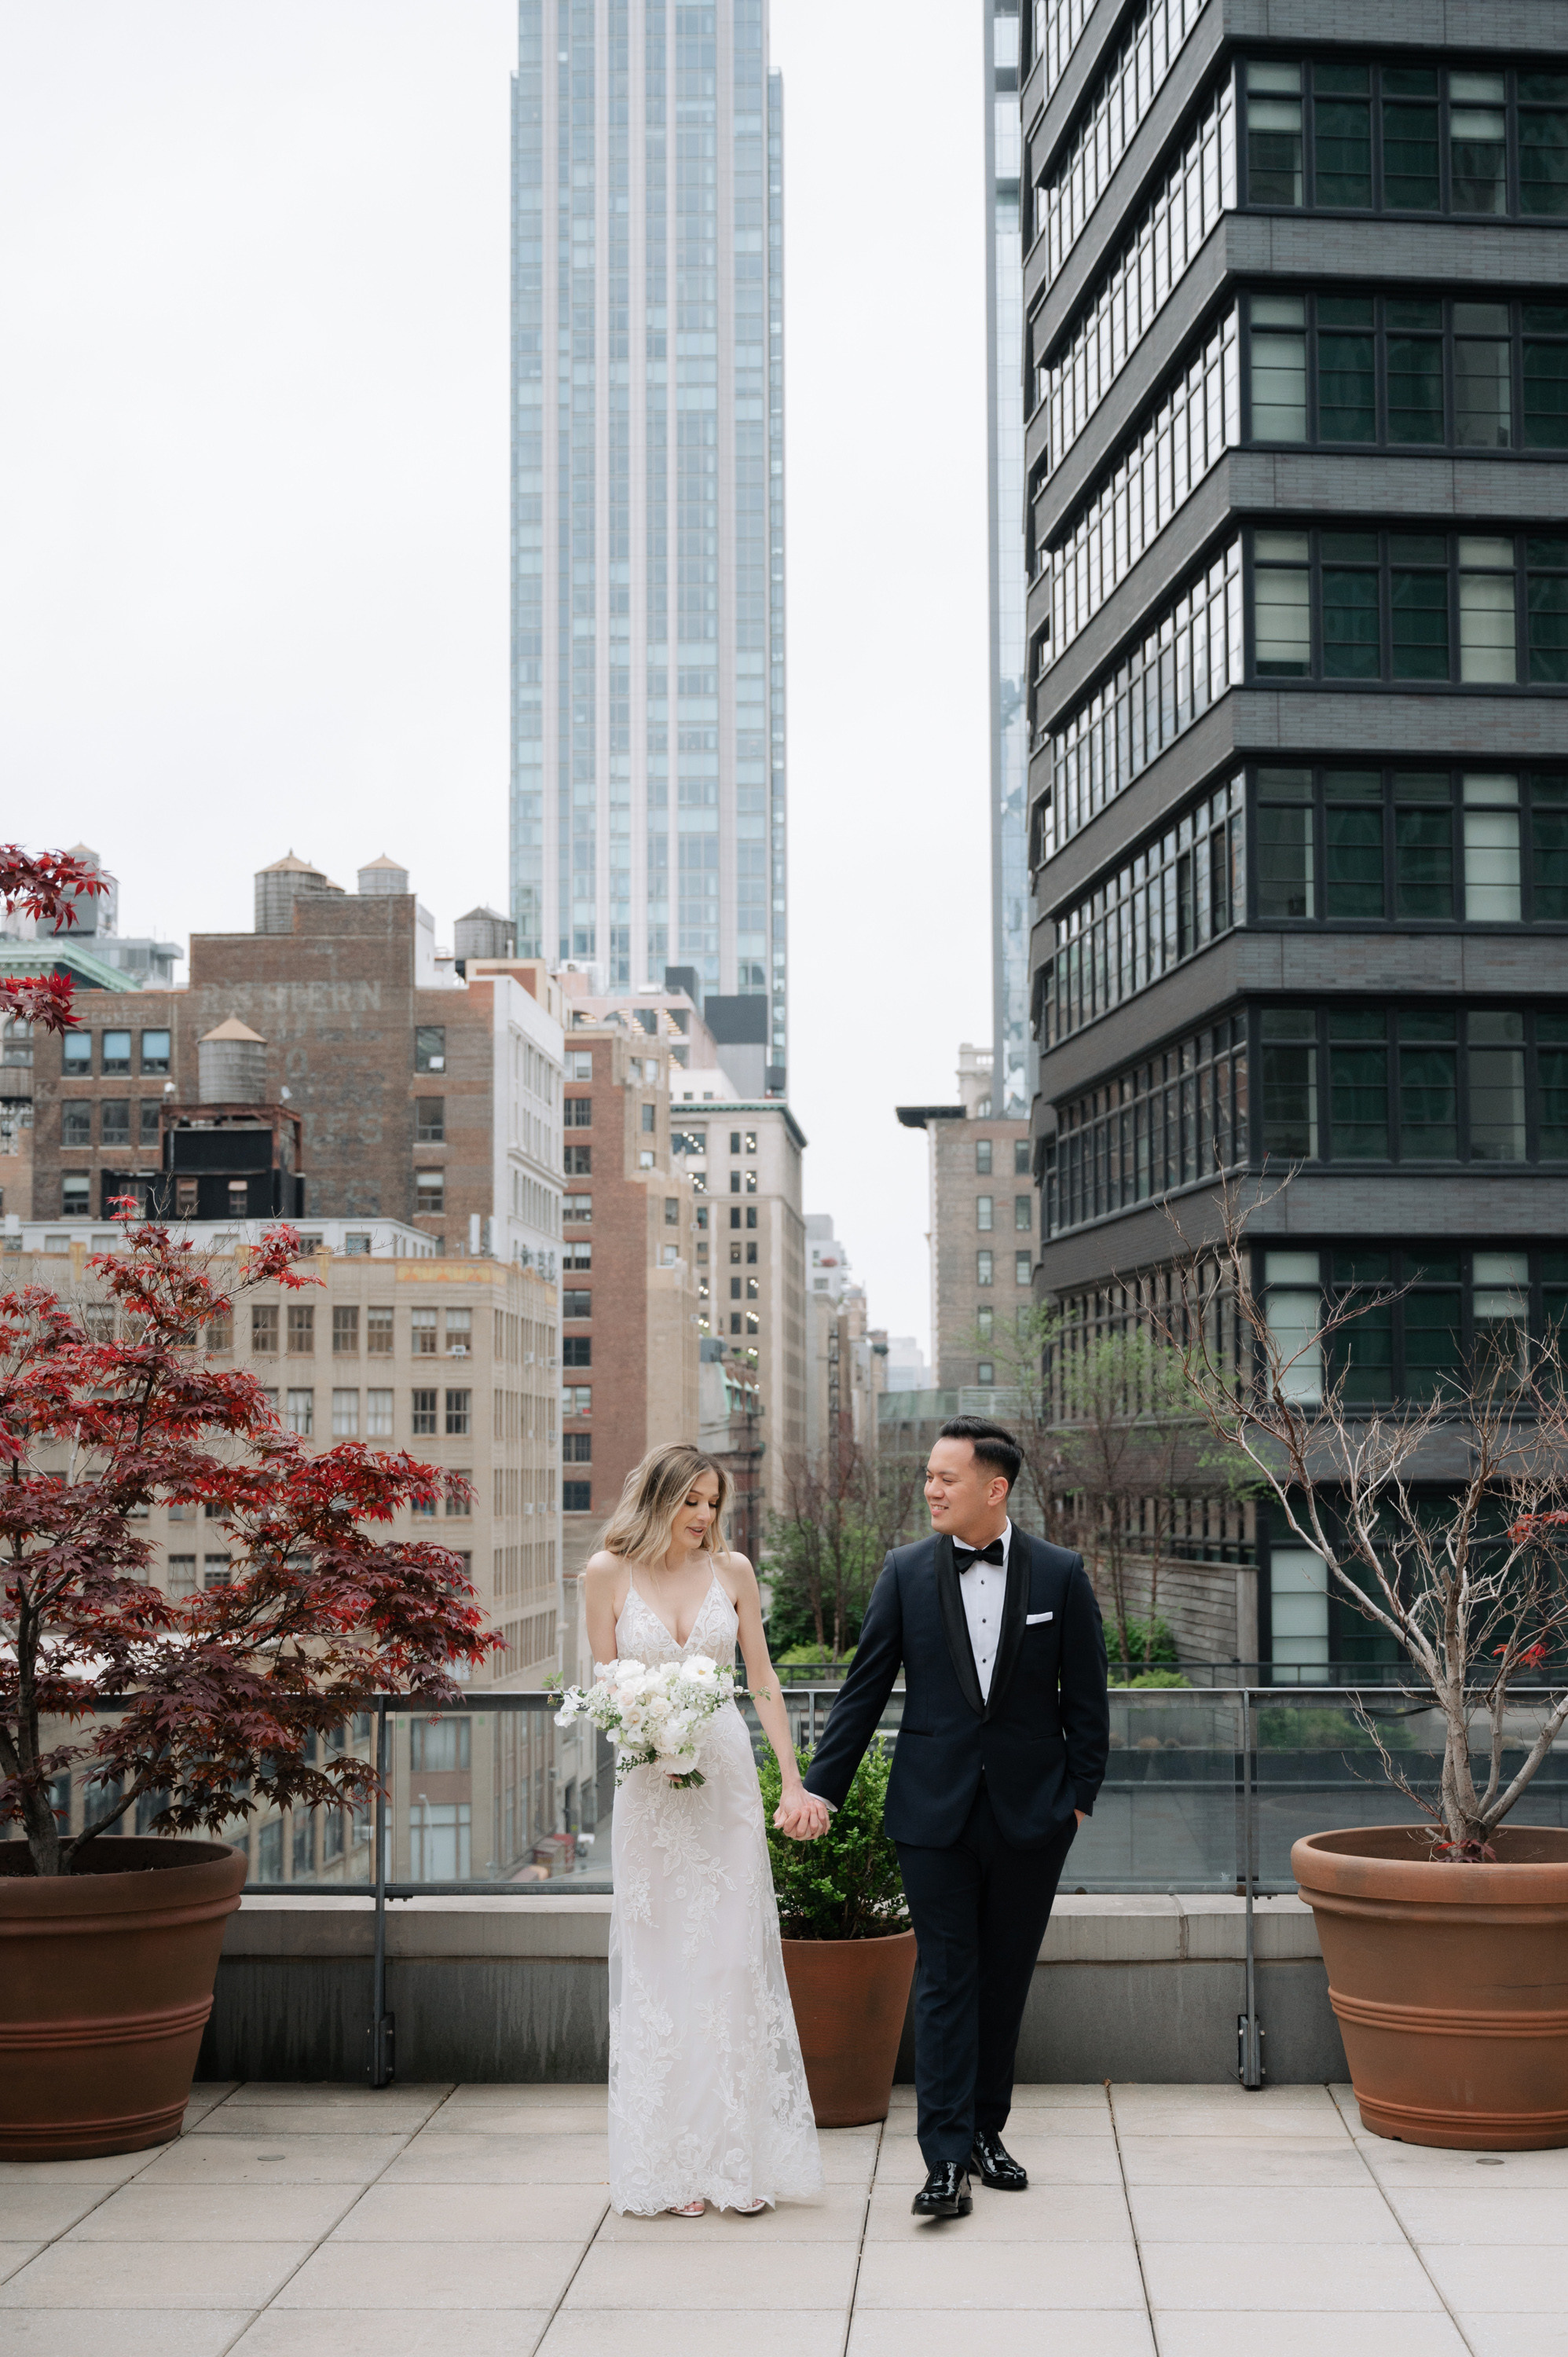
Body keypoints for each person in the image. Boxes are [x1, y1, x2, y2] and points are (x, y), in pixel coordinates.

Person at [797, 1415, 1108, 2219]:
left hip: (1031, 1818)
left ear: (994, 1488)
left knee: (1002, 1984)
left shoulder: (1060, 1573)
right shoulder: (903, 1573)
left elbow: (1089, 1704)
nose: (930, 1490)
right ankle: (941, 2158)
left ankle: (983, 2133)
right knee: (943, 1982)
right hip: (929, 1814)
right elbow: (862, 1692)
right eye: (928, 1477)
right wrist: (820, 1790)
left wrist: (1075, 1804)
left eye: (946, 1478)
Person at [584, 1442, 826, 2218]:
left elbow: (761, 1680)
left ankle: (732, 2161)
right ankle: (670, 2168)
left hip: (722, 1780)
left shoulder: (735, 1573)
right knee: (660, 1973)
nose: (704, 1517)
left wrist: (791, 1779)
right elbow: (606, 1687)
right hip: (650, 1791)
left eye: (712, 1503)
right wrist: (650, 1743)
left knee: (728, 1968)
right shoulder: (605, 1574)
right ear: (656, 1499)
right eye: (690, 1502)